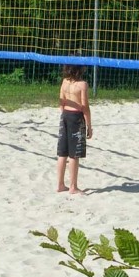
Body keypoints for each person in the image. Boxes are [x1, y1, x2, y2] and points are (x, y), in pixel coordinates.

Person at [56, 64, 92, 194]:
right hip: (76, 117)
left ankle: (60, 185)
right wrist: (89, 125)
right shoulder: (83, 84)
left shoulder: (64, 82)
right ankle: (73, 187)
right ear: (80, 68)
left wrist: (65, 114)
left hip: (65, 115)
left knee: (62, 153)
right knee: (74, 154)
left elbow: (61, 102)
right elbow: (85, 107)